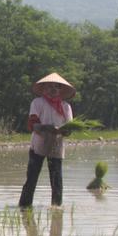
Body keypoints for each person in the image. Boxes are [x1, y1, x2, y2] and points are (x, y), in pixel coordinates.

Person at [18, 72, 75, 209]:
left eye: (56, 87)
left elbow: (69, 130)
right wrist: (47, 127)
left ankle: (56, 208)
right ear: (44, 89)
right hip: (38, 145)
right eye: (50, 87)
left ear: (60, 90)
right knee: (31, 178)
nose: (53, 89)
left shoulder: (66, 107)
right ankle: (24, 206)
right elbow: (33, 125)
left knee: (57, 180)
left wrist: (61, 131)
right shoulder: (38, 103)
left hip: (56, 145)